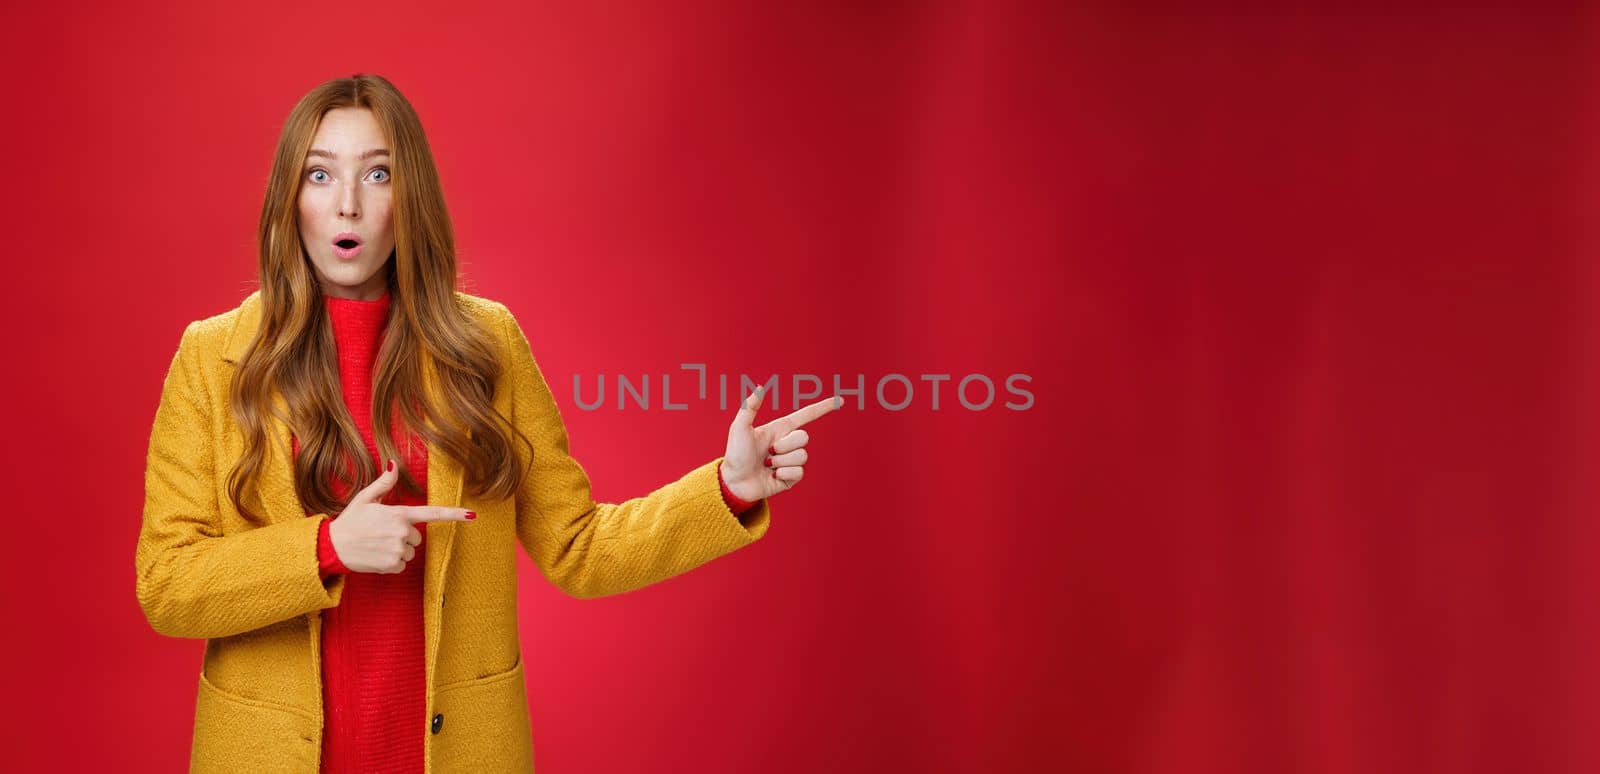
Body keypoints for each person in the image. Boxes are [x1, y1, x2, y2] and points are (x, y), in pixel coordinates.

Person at [134, 73, 840, 774]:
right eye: (320, 176)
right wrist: (326, 547)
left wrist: (728, 488)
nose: (347, 204)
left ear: (409, 196)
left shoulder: (488, 345)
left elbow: (580, 548)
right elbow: (167, 584)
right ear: (289, 198)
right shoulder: (211, 358)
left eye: (377, 174)